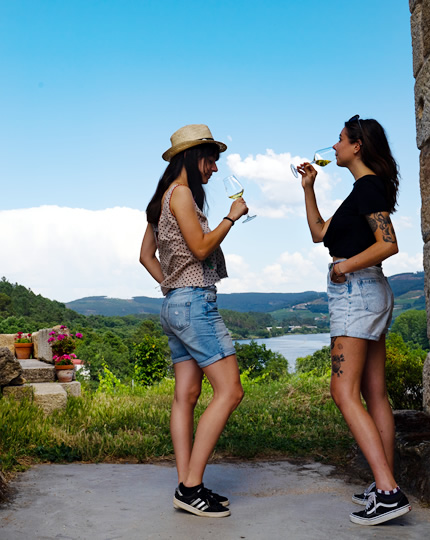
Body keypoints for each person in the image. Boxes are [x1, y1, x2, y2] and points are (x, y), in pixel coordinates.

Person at [296, 115, 411, 526]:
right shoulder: (360, 191)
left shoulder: (367, 187)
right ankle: (385, 483)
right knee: (374, 392)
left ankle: (387, 491)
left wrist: (343, 270)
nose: (335, 146)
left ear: (357, 145)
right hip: (366, 290)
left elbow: (388, 243)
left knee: (343, 391)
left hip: (356, 290)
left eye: (340, 140)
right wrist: (309, 189)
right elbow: (318, 232)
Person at [140, 124, 247, 518]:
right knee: (230, 392)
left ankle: (188, 484)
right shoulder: (182, 194)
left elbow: (146, 256)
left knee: (185, 397)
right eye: (211, 160)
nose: (214, 169)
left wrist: (171, 285)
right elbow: (201, 248)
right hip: (193, 305)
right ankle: (189, 487)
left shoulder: (162, 200)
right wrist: (230, 218)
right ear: (193, 156)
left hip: (173, 305)